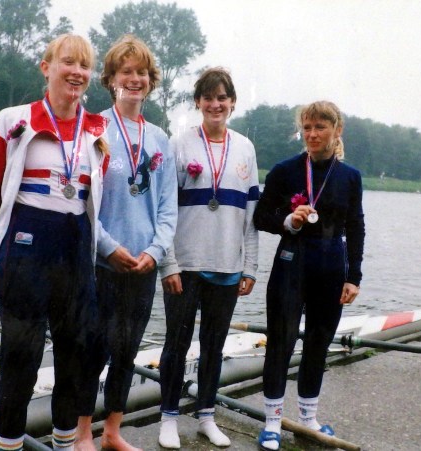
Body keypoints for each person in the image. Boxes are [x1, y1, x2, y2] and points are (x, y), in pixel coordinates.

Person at [0, 34, 109, 451]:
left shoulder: (98, 130)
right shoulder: (13, 120)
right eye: (68, 62)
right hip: (25, 248)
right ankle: (9, 442)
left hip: (75, 250)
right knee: (21, 358)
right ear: (46, 67)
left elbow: (96, 202)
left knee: (75, 355)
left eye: (84, 66)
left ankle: (64, 444)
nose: (77, 72)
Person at [75, 35, 177, 451]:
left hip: (143, 266)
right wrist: (107, 248)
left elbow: (169, 209)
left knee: (127, 351)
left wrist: (155, 252)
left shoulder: (160, 139)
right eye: (125, 72)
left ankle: (113, 432)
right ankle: (81, 433)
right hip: (103, 264)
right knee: (92, 350)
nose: (134, 80)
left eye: (142, 73)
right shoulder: (94, 129)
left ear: (151, 80)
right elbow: (83, 202)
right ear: (111, 79)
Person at [157, 67, 260, 449]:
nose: (215, 104)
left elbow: (251, 217)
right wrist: (167, 263)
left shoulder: (246, 148)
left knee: (213, 346)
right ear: (198, 102)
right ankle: (168, 418)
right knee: (176, 343)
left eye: (222, 98)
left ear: (232, 103)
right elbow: (164, 210)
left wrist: (250, 266)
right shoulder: (179, 144)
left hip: (228, 267)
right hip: (185, 264)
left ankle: (205, 416)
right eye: (208, 97)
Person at [253, 101, 365, 450]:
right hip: (292, 260)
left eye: (320, 128)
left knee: (318, 343)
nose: (312, 135)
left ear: (337, 130)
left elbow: (356, 227)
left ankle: (307, 418)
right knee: (281, 341)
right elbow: (260, 218)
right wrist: (289, 220)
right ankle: (272, 421)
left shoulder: (350, 176)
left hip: (331, 265)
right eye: (307, 128)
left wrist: (354, 277)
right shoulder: (285, 170)